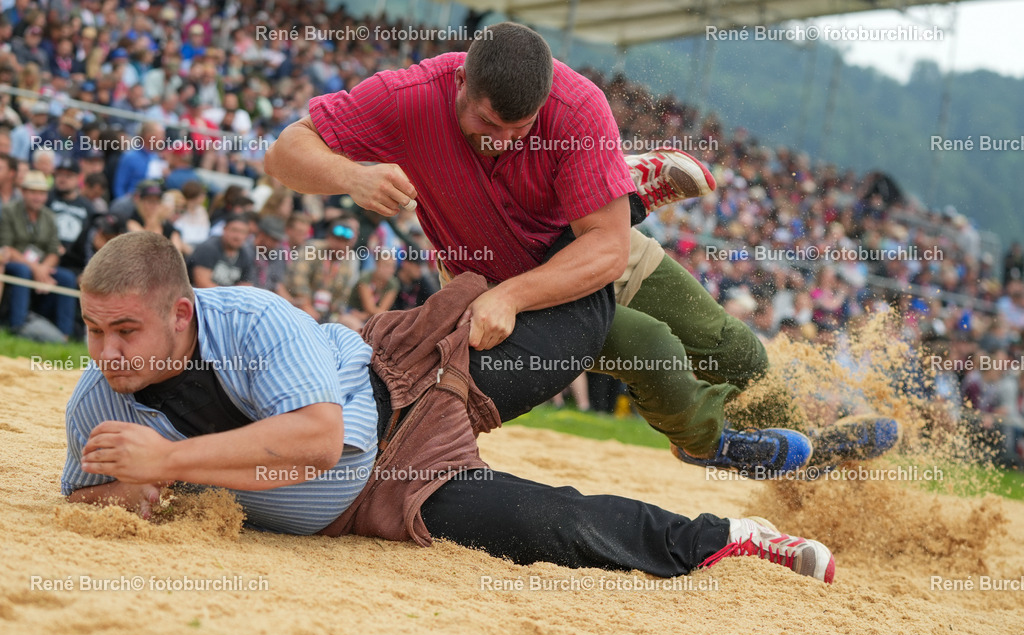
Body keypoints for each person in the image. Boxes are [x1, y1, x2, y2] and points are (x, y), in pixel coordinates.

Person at [265, 22, 898, 475]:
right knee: (651, 350)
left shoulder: (577, 107)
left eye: (521, 129)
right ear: (460, 85)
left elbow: (605, 253)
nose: (505, 141)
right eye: (488, 126)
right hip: (492, 286)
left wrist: (516, 292)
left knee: (736, 350)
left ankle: (809, 457)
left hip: (582, 254)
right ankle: (709, 443)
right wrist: (351, 175)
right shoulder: (408, 97)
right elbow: (284, 150)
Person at [60, 232, 835, 583]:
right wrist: (124, 492)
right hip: (396, 493)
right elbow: (88, 497)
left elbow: (321, 440)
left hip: (413, 380)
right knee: (551, 527)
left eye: (125, 330)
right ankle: (733, 539)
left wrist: (164, 462)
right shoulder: (96, 403)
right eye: (93, 330)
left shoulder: (253, 321)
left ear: (182, 314)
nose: (106, 351)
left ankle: (598, 218)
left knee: (587, 318)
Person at [0, 170, 77, 338]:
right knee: (23, 271)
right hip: (14, 262)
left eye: (42, 193)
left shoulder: (49, 216)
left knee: (67, 278)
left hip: (42, 265)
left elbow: (54, 250)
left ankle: (66, 333)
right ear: (23, 192)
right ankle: (17, 326)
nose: (38, 197)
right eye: (33, 192)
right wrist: (36, 268)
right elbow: (7, 247)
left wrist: (42, 269)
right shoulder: (9, 211)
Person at [189, 214, 254, 288]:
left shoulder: (246, 255)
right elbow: (202, 283)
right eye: (234, 230)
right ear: (224, 229)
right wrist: (229, 296)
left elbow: (246, 287)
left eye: (242, 232)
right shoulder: (208, 248)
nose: (237, 236)